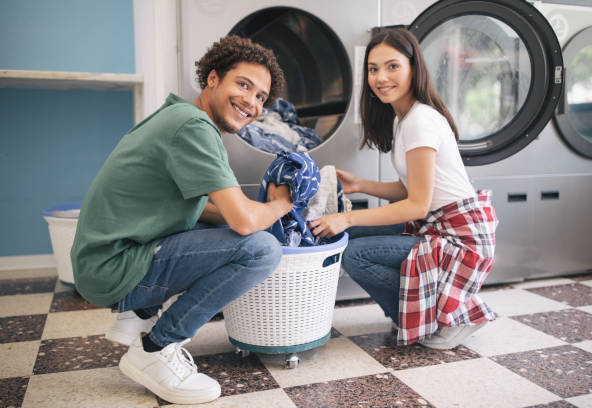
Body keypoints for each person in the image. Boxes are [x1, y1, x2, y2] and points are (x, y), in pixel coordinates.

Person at [70, 35, 292, 405]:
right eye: (243, 85)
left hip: (106, 257)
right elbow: (242, 223)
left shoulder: (179, 116)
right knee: (261, 250)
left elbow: (194, 208)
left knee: (233, 227)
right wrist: (280, 205)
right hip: (112, 267)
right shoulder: (194, 128)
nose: (251, 102)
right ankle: (155, 349)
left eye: (260, 98)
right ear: (213, 78)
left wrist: (250, 214)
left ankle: (137, 314)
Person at [309, 28, 498, 349]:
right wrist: (361, 185)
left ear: (414, 68)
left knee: (356, 253)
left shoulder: (420, 121)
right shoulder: (404, 118)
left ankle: (446, 315)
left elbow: (417, 205)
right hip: (437, 225)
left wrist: (347, 218)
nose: (381, 77)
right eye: (373, 69)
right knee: (348, 238)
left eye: (392, 66)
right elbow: (412, 188)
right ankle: (421, 312)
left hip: (459, 238)